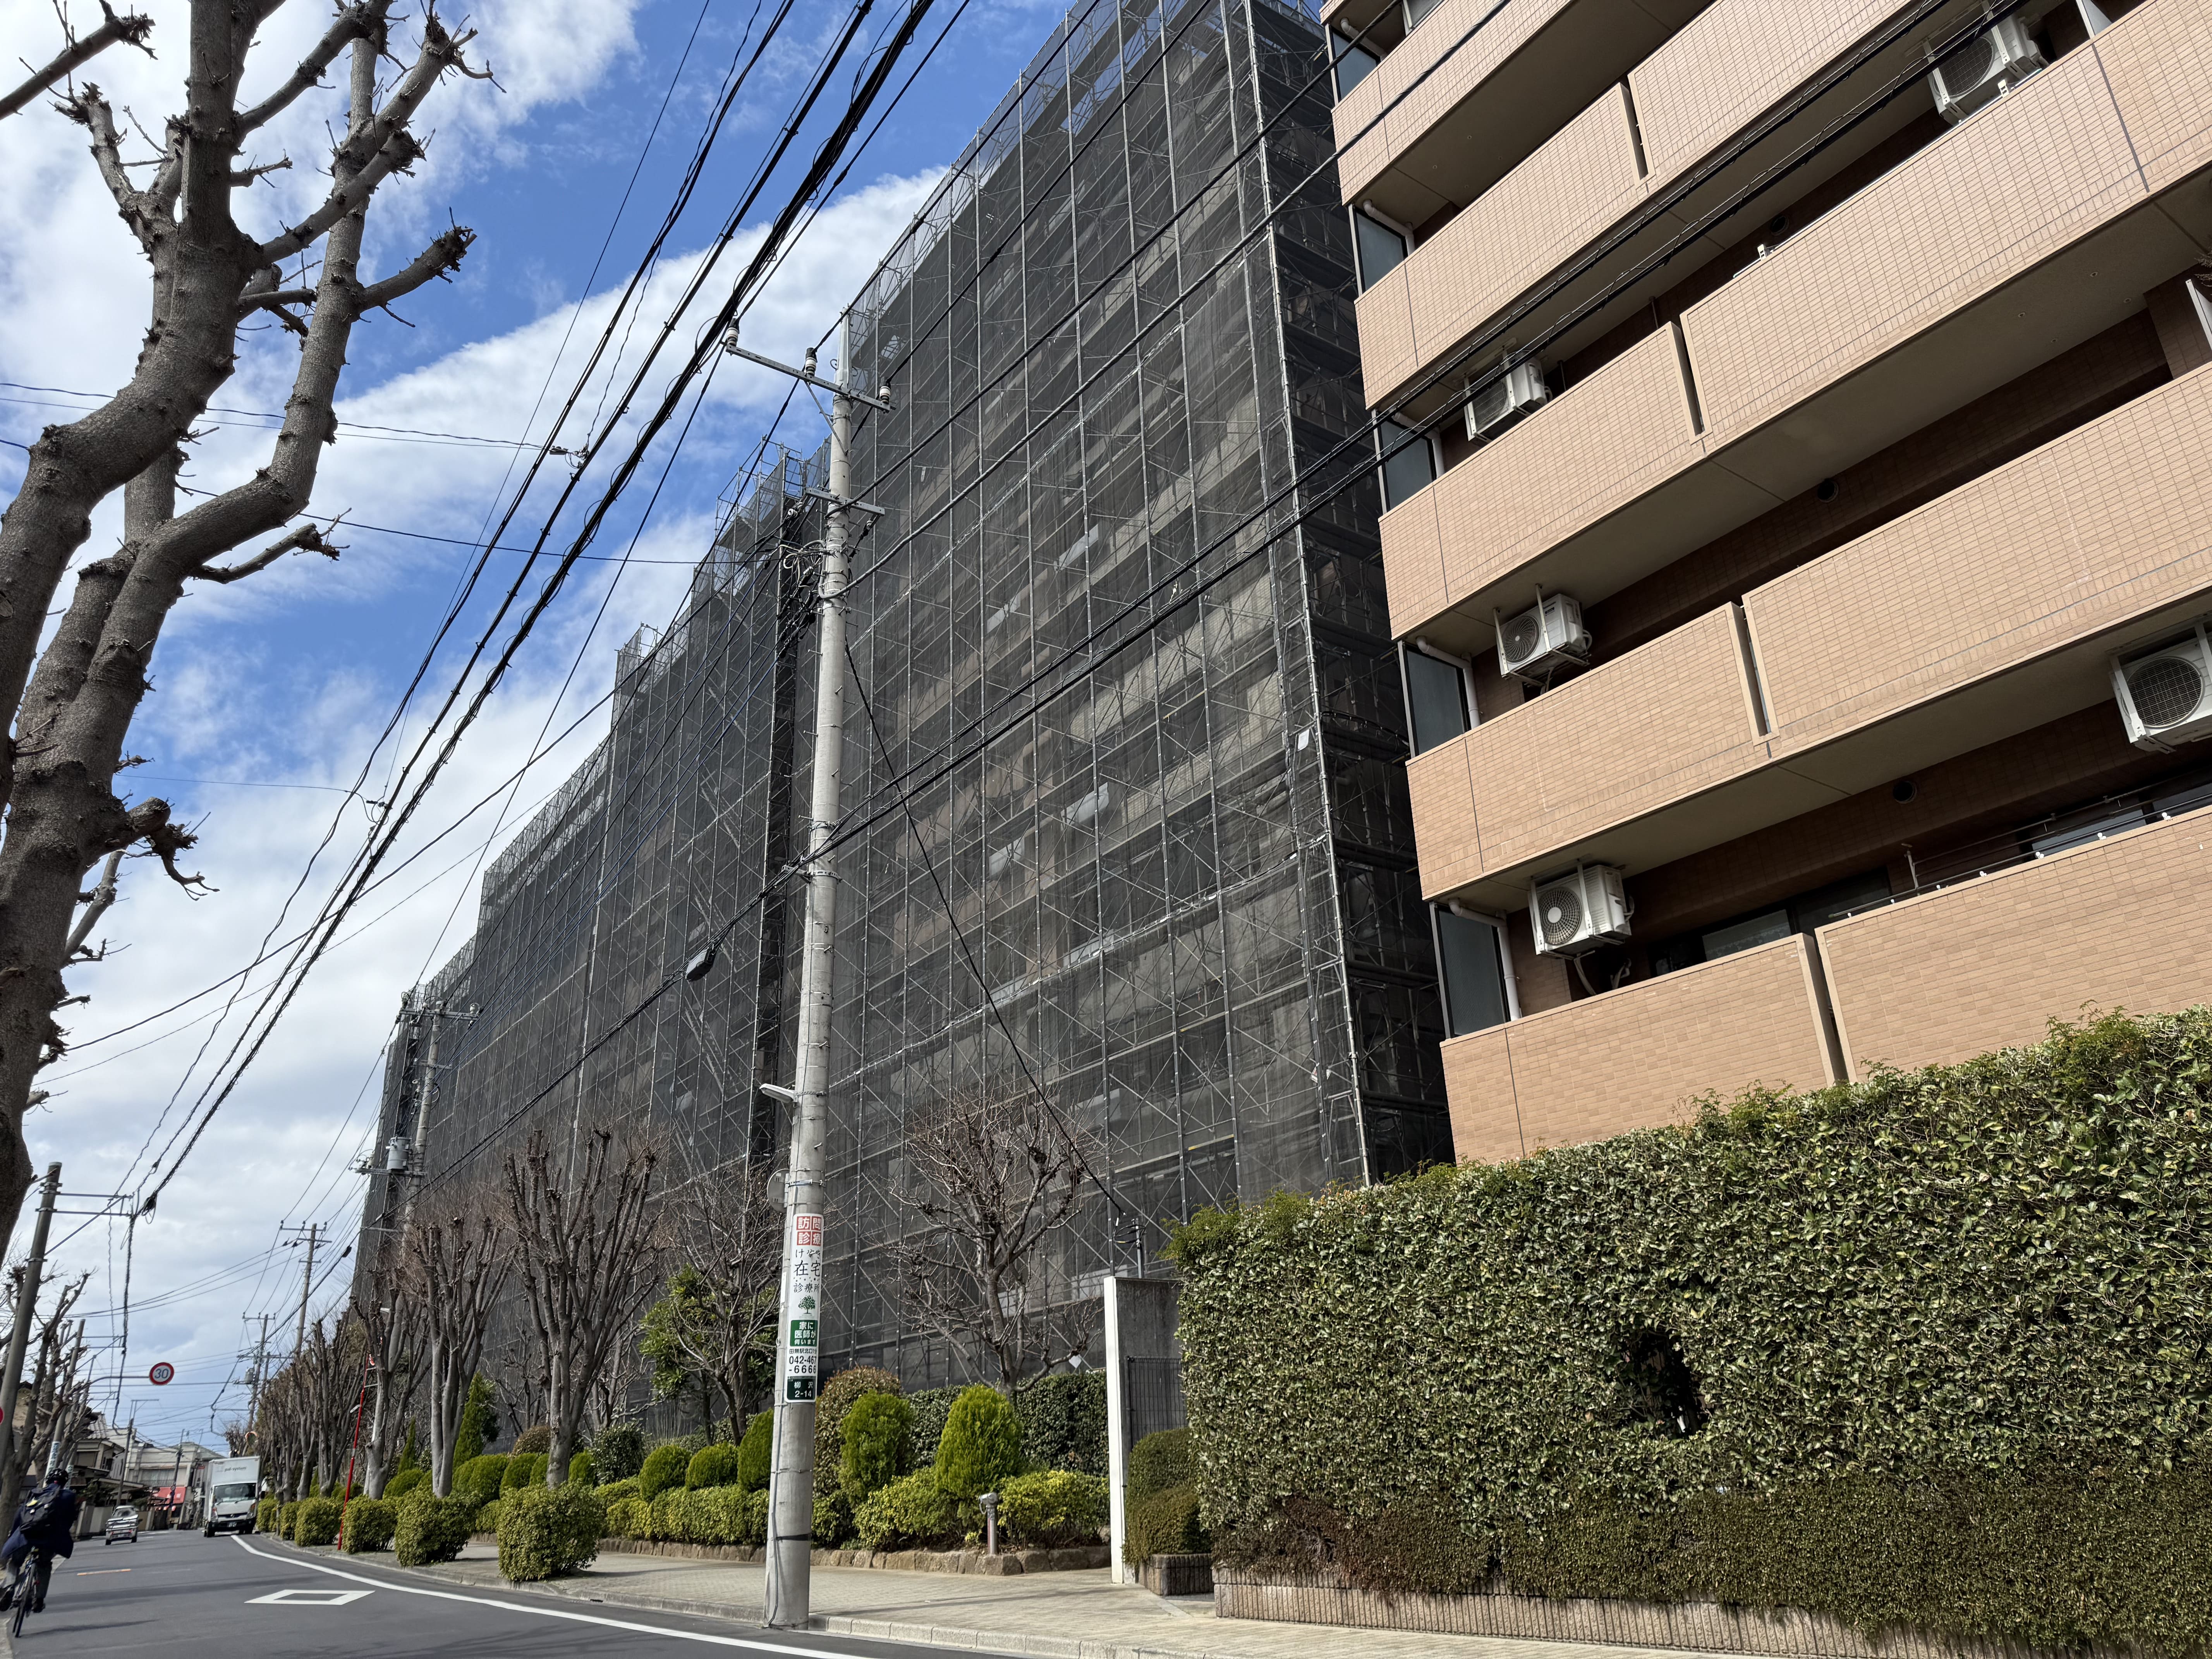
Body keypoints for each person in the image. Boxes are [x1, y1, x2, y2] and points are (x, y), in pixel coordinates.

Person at [0, 1469, 79, 1613]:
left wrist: (15, 1536)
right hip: (49, 1540)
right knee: (45, 1565)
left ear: (48, 1481)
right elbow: (69, 1519)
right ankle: (39, 1600)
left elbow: (20, 1516)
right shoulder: (68, 1496)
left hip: (26, 1536)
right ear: (64, 1483)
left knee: (15, 1563)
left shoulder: (35, 1493)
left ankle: (10, 1587)